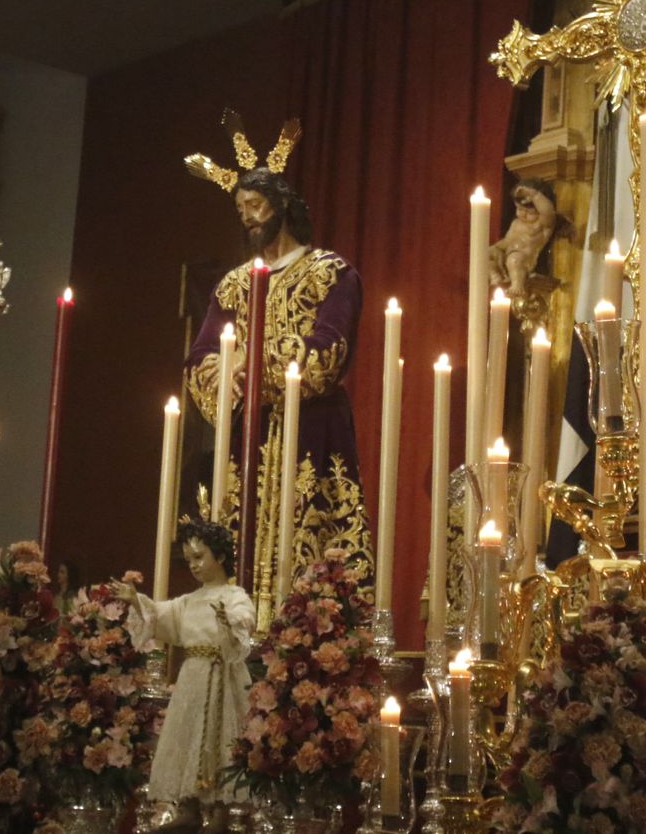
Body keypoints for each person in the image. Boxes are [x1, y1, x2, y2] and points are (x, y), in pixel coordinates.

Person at [183, 154, 369, 628]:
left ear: (282, 206)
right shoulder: (231, 286)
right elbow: (201, 356)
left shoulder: (331, 273)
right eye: (241, 208)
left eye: (256, 205)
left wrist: (255, 359)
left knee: (311, 557)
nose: (248, 217)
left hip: (311, 431)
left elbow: (329, 349)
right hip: (248, 435)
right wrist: (226, 372)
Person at [116, 519, 253, 826]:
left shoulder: (234, 596)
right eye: (189, 559)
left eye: (199, 557)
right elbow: (162, 616)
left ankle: (219, 809)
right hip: (192, 678)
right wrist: (136, 600)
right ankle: (188, 806)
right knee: (189, 736)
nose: (192, 565)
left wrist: (228, 621)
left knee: (220, 740)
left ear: (219, 557)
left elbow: (244, 621)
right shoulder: (189, 601)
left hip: (221, 677)